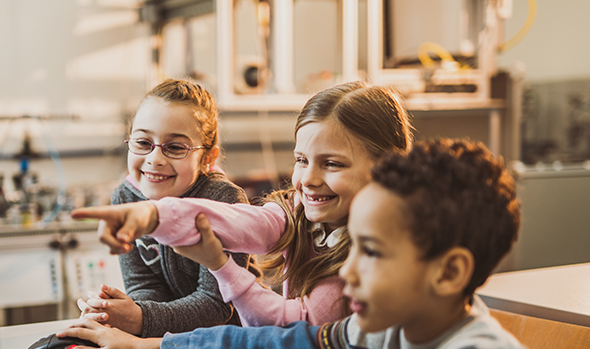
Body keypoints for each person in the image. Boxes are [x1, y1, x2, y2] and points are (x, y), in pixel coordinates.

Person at [59, 139, 563, 349]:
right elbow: (275, 345)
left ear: (449, 273)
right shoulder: (374, 334)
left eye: (372, 253)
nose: (347, 271)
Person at [72, 81, 413, 327]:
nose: (308, 179)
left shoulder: (369, 254)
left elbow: (297, 326)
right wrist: (151, 214)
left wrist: (219, 266)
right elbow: (241, 223)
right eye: (301, 160)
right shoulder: (298, 211)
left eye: (332, 163)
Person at [75, 78, 257, 338]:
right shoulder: (126, 197)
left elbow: (217, 307)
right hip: (170, 341)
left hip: (231, 344)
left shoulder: (223, 200)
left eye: (174, 147)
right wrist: (122, 312)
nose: (155, 159)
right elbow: (144, 284)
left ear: (207, 157)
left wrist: (140, 318)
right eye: (142, 143)